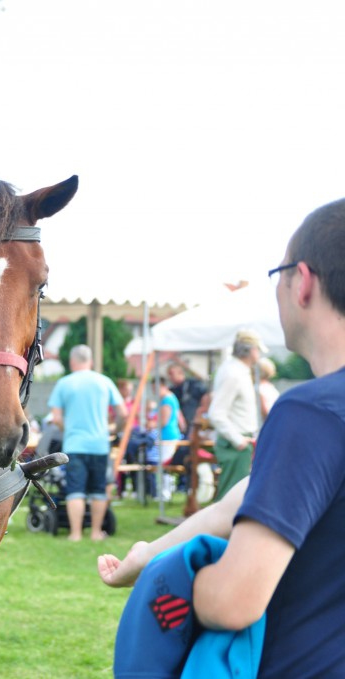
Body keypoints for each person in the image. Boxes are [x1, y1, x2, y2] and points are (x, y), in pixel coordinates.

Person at [101, 197, 345, 677]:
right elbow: (239, 501)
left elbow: (234, 602)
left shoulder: (310, 412)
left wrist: (168, 581)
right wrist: (148, 554)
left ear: (304, 282)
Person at [47, 344, 127, 541]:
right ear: (90, 361)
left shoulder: (64, 383)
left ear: (72, 361)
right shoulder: (104, 381)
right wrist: (115, 429)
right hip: (99, 444)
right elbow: (123, 413)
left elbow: (56, 418)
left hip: (74, 445)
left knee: (75, 489)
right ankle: (96, 532)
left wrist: (69, 430)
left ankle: (75, 534)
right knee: (99, 490)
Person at [206, 327, 266, 500]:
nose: (259, 355)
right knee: (230, 500)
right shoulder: (234, 373)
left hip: (239, 442)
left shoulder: (235, 370)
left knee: (234, 498)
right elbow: (216, 413)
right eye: (257, 350)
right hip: (236, 444)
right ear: (249, 350)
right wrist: (238, 441)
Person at [166, 361, 208, 427]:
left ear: (180, 373)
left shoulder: (194, 384)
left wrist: (199, 413)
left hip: (195, 422)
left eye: (172, 374)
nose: (170, 377)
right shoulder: (171, 390)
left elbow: (205, 398)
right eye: (169, 374)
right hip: (180, 424)